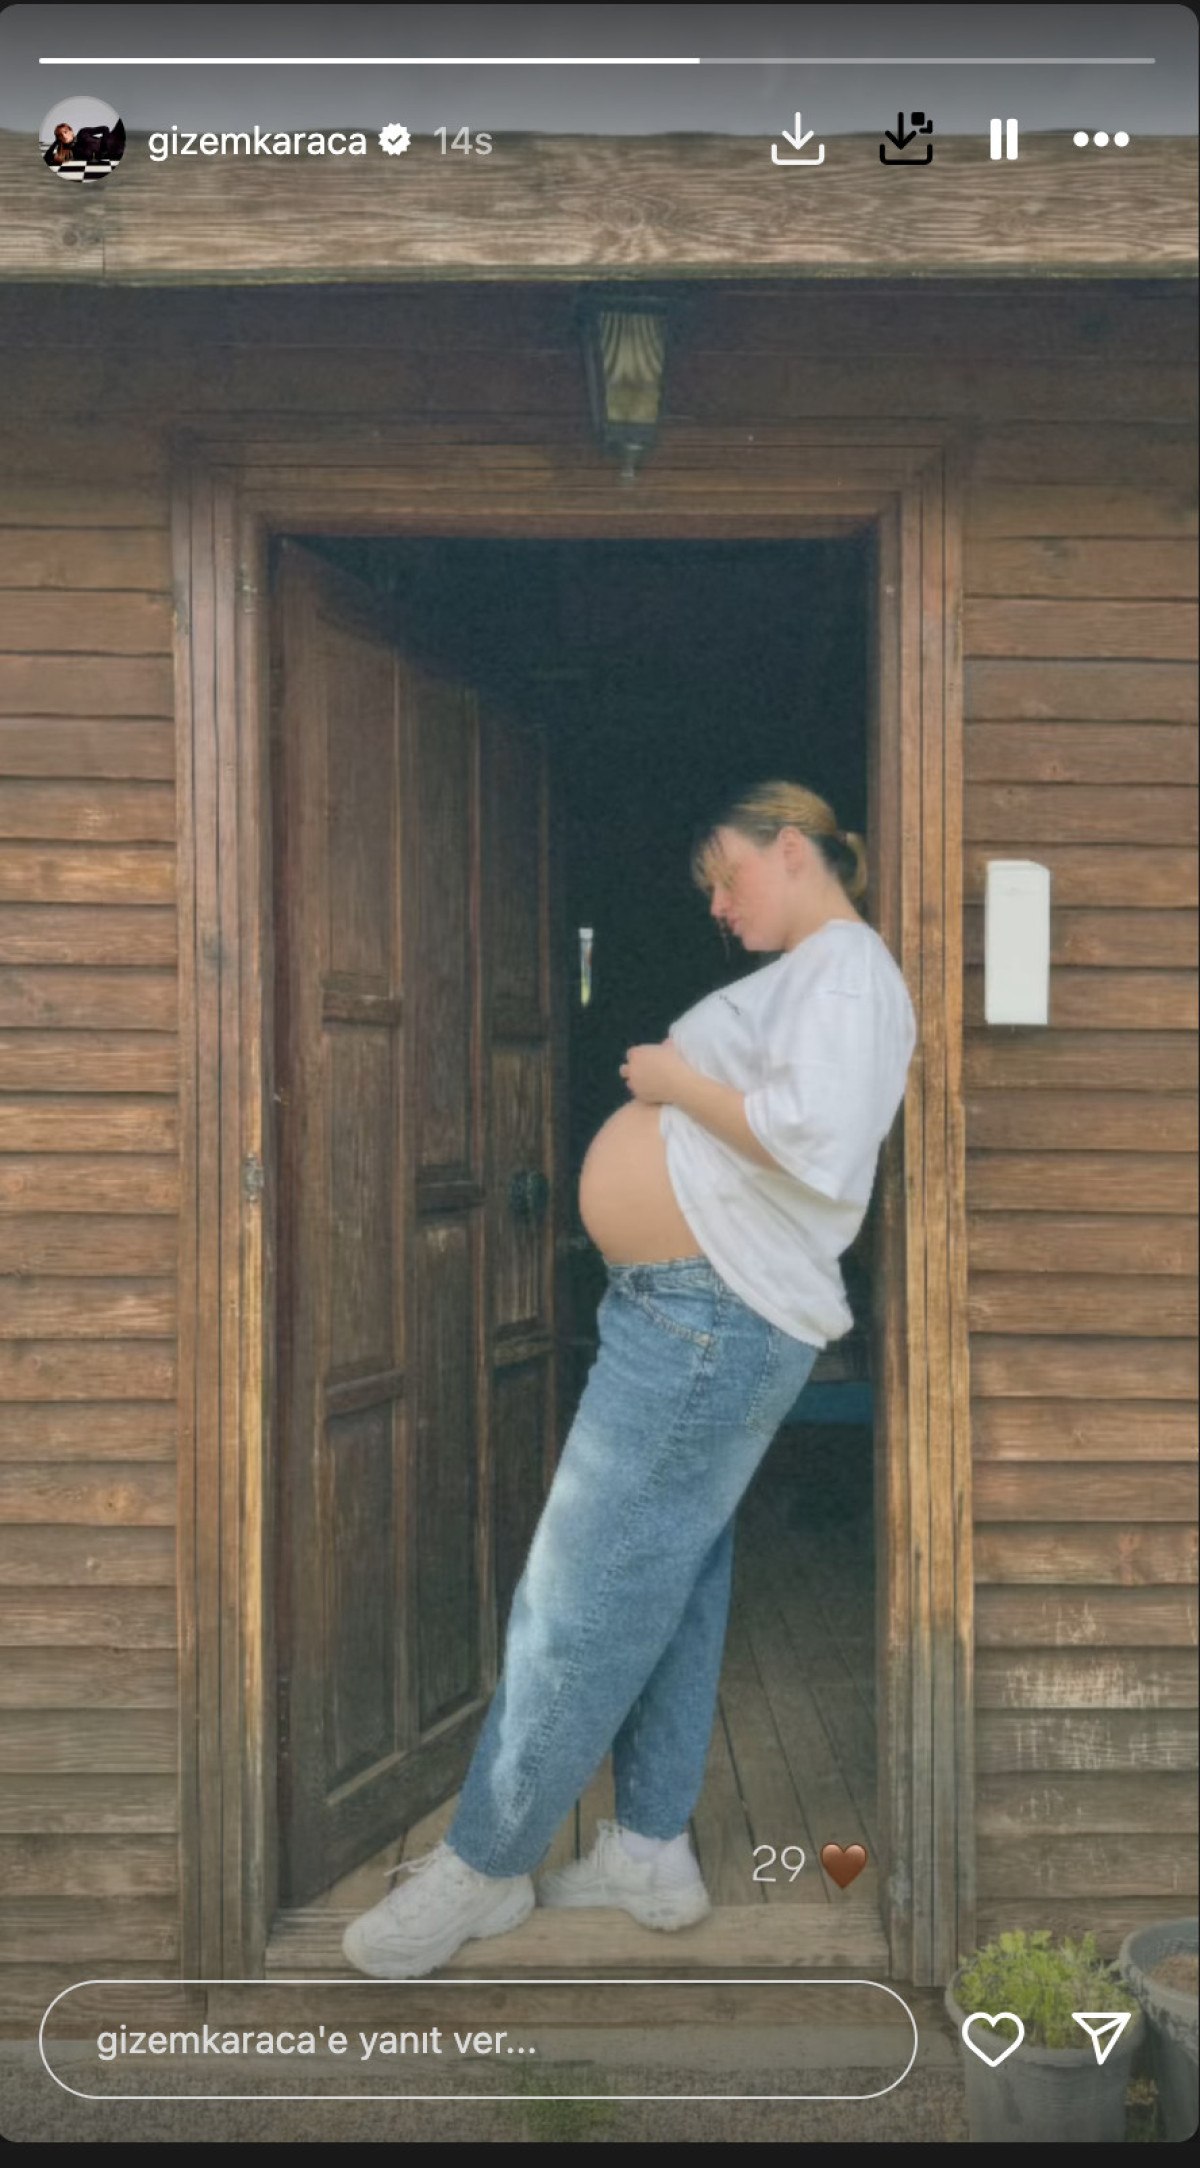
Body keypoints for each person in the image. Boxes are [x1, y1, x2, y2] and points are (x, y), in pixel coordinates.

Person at [342, 780, 917, 1979]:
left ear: (792, 848)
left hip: (711, 1314)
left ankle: (483, 1865)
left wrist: (667, 1078)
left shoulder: (847, 969)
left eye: (727, 875)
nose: (717, 903)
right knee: (673, 1573)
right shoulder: (818, 973)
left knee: (580, 1585)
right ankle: (650, 1848)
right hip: (691, 1308)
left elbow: (817, 1137)